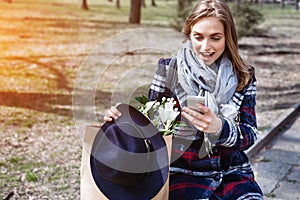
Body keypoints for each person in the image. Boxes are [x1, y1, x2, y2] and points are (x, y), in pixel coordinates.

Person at [104, 0, 263, 199]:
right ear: (189, 35)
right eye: (198, 37)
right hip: (181, 173)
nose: (206, 47)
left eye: (215, 38)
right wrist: (122, 118)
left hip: (229, 173)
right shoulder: (169, 70)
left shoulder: (243, 76)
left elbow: (250, 134)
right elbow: (150, 127)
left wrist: (219, 128)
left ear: (227, 38)